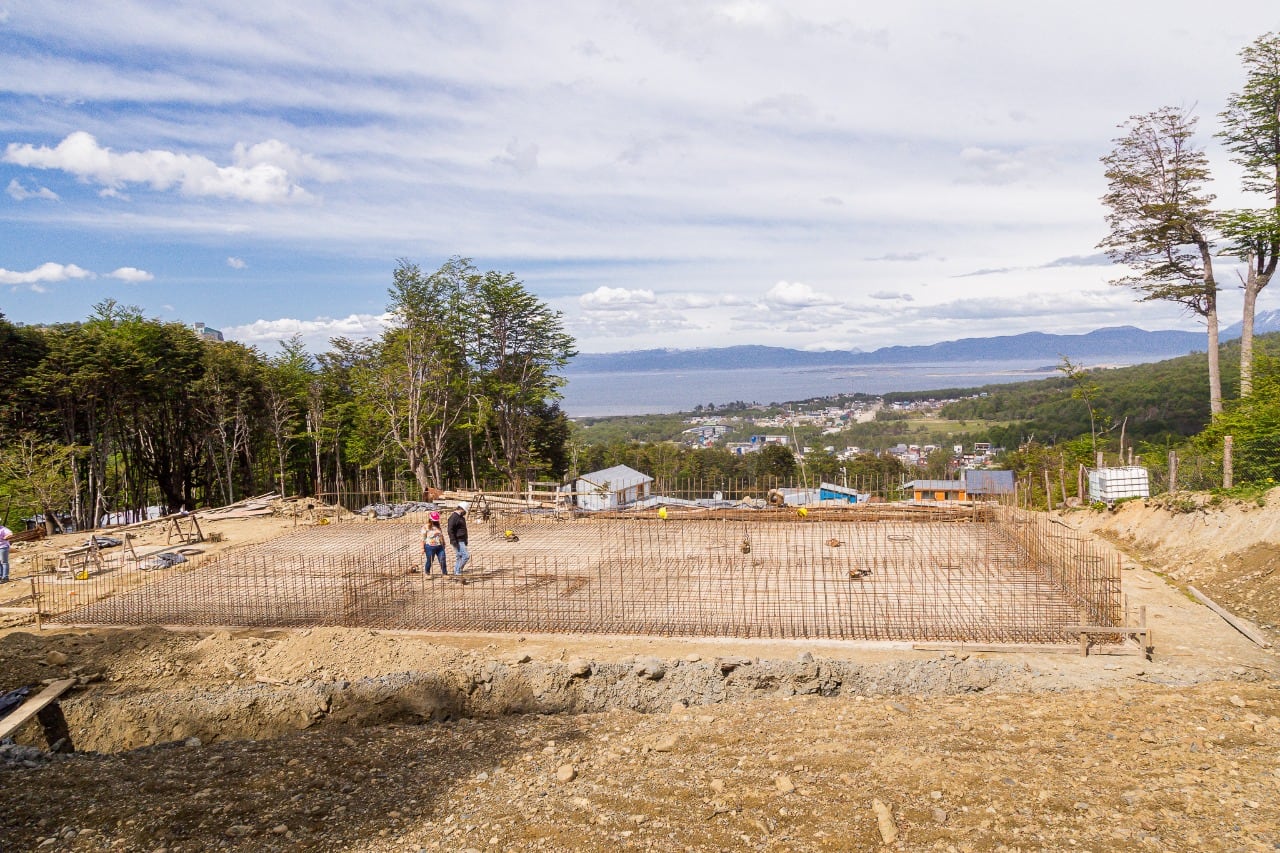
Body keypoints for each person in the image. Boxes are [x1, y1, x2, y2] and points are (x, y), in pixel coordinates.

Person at [447, 501, 470, 583]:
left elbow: (464, 529)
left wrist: (466, 539)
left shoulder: (460, 517)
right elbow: (450, 530)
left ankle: (457, 574)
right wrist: (453, 541)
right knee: (466, 556)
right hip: (457, 540)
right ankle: (458, 572)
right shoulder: (453, 517)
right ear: (462, 509)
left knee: (459, 557)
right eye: (465, 511)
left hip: (462, 540)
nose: (465, 513)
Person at [422, 512, 447, 576]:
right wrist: (422, 548)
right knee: (430, 560)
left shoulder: (438, 526)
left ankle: (445, 574)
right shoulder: (425, 527)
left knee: (442, 559)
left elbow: (441, 535)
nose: (435, 522)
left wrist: (443, 543)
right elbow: (423, 538)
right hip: (429, 546)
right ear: (430, 519)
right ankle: (427, 572)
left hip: (439, 546)